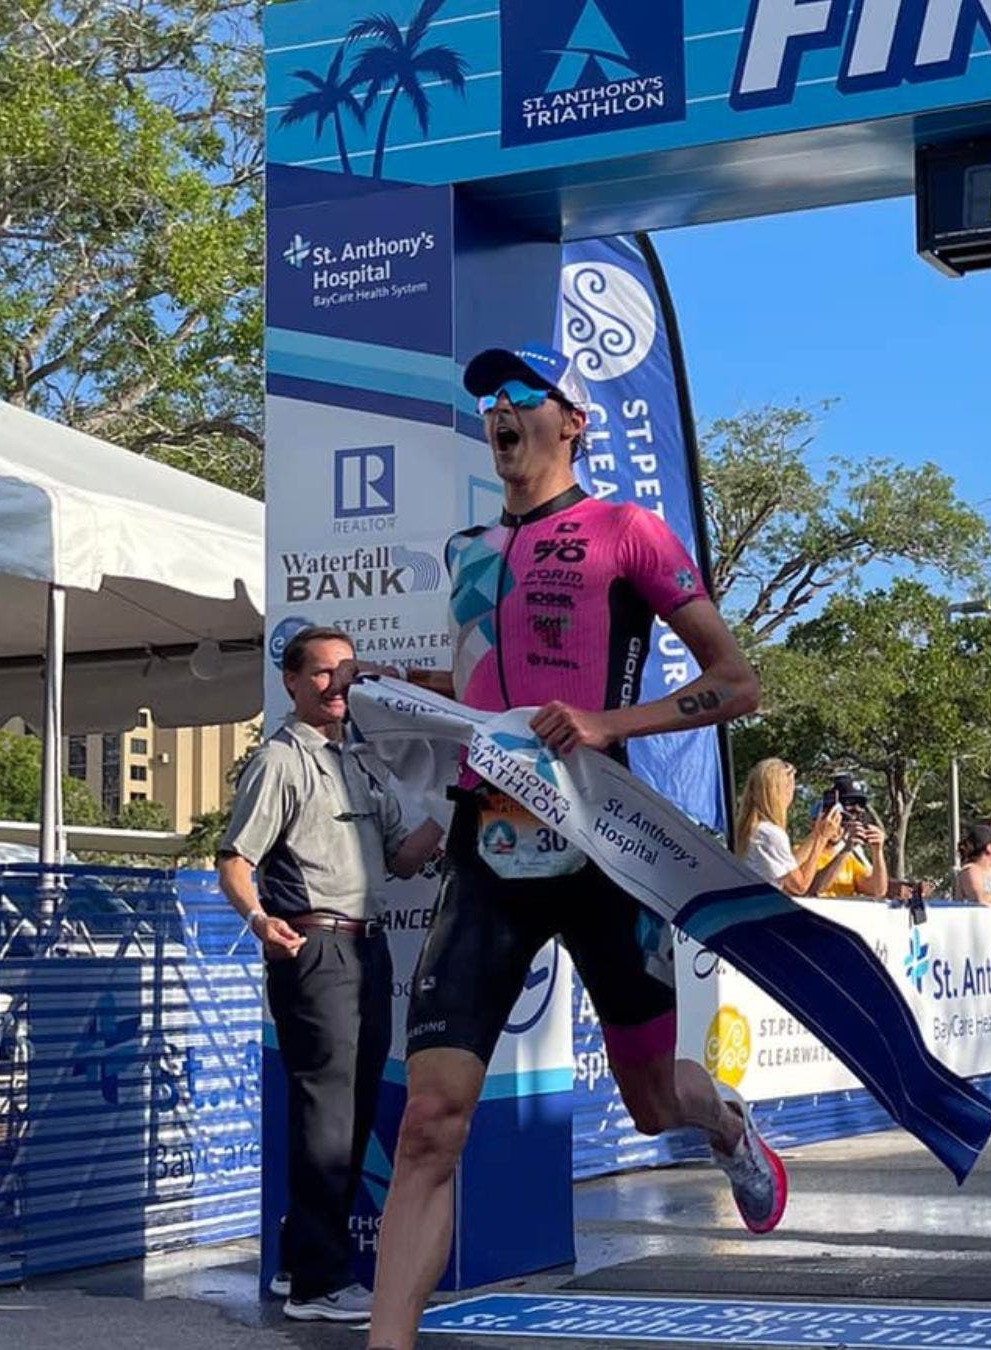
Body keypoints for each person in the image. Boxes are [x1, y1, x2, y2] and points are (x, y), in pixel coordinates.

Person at [359, 346, 775, 1350]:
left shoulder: (627, 531)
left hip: (603, 850)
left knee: (651, 1103)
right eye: (488, 402)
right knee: (430, 1123)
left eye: (519, 396)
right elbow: (482, 695)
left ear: (572, 422)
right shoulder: (466, 551)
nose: (498, 412)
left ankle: (727, 1124)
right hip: (487, 849)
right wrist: (395, 684)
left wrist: (605, 723)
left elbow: (736, 685)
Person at [215, 626, 441, 1323]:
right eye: (321, 673)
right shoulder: (280, 761)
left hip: (368, 948)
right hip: (314, 948)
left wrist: (461, 802)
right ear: (290, 681)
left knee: (354, 1110)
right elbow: (234, 860)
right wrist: (260, 921)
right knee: (328, 1117)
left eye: (346, 672)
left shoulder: (360, 761)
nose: (337, 685)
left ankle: (300, 1261)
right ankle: (319, 1284)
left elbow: (404, 857)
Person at [730, 757, 856, 897]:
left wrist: (816, 833)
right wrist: (822, 838)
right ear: (779, 791)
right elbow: (800, 887)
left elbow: (788, 867)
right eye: (791, 787)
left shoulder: (754, 830)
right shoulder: (770, 833)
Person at [805, 775, 890, 899]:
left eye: (844, 822)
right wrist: (846, 850)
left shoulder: (849, 860)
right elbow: (812, 888)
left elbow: (878, 890)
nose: (839, 827)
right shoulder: (802, 854)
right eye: (835, 820)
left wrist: (877, 852)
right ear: (816, 822)